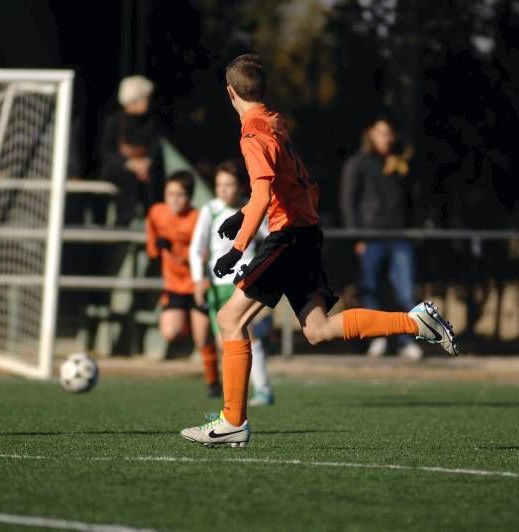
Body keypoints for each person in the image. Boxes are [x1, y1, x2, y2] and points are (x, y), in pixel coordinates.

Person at [180, 54, 458, 447]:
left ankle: (232, 421)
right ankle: (415, 322)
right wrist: (240, 213)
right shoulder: (274, 123)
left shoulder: (253, 135)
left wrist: (235, 247)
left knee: (229, 320)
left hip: (289, 237)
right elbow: (282, 187)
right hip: (305, 232)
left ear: (230, 94)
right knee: (318, 329)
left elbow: (262, 195)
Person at [189, 160, 274, 406]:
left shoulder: (252, 209)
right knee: (225, 341)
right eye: (219, 185)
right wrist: (198, 281)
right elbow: (196, 249)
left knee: (245, 335)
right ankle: (238, 396)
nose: (223, 190)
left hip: (243, 282)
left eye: (229, 185)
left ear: (241, 187)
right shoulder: (210, 210)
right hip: (218, 284)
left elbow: (270, 239)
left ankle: (263, 391)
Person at [341, 117, 421, 360]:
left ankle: (407, 341)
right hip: (371, 236)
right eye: (380, 133)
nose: (385, 138)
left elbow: (413, 200)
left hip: (399, 236)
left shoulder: (401, 163)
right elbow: (348, 200)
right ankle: (376, 340)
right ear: (371, 135)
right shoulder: (358, 163)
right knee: (370, 290)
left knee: (406, 292)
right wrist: (357, 235)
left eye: (389, 133)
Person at [146, 171, 217, 396]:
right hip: (174, 285)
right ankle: (185, 321)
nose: (174, 199)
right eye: (170, 194)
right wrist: (157, 246)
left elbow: (205, 254)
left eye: (180, 195)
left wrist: (183, 253)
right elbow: (152, 248)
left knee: (203, 338)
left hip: (197, 285)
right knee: (170, 332)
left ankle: (213, 383)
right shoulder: (157, 213)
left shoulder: (198, 218)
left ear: (190, 196)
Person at [99, 76, 164, 222]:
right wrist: (130, 164)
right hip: (119, 169)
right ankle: (125, 220)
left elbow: (155, 149)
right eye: (145, 97)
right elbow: (106, 152)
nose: (148, 101)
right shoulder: (114, 121)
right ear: (134, 99)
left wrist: (146, 163)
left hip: (145, 170)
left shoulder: (151, 122)